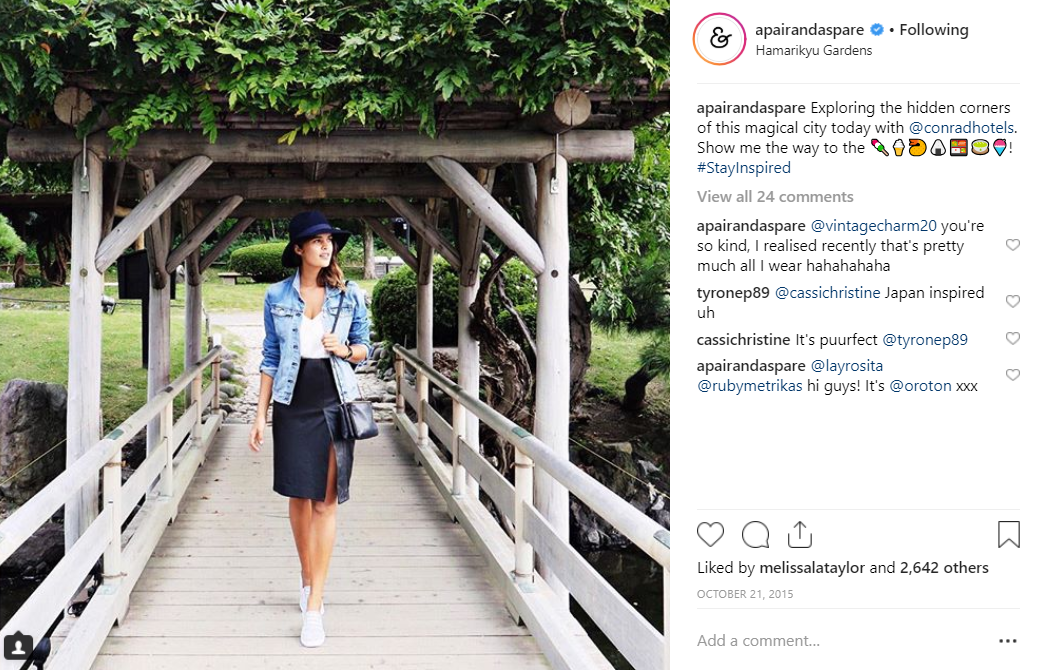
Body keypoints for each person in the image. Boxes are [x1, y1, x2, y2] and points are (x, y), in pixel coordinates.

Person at [248, 211, 371, 648]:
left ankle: (315, 605)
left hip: (334, 401)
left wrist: (346, 350)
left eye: (329, 240)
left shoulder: (349, 295)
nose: (325, 246)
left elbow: (365, 347)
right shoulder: (276, 296)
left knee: (325, 503)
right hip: (292, 403)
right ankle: (307, 576)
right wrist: (260, 415)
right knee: (299, 496)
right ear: (298, 248)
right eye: (316, 240)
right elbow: (269, 357)